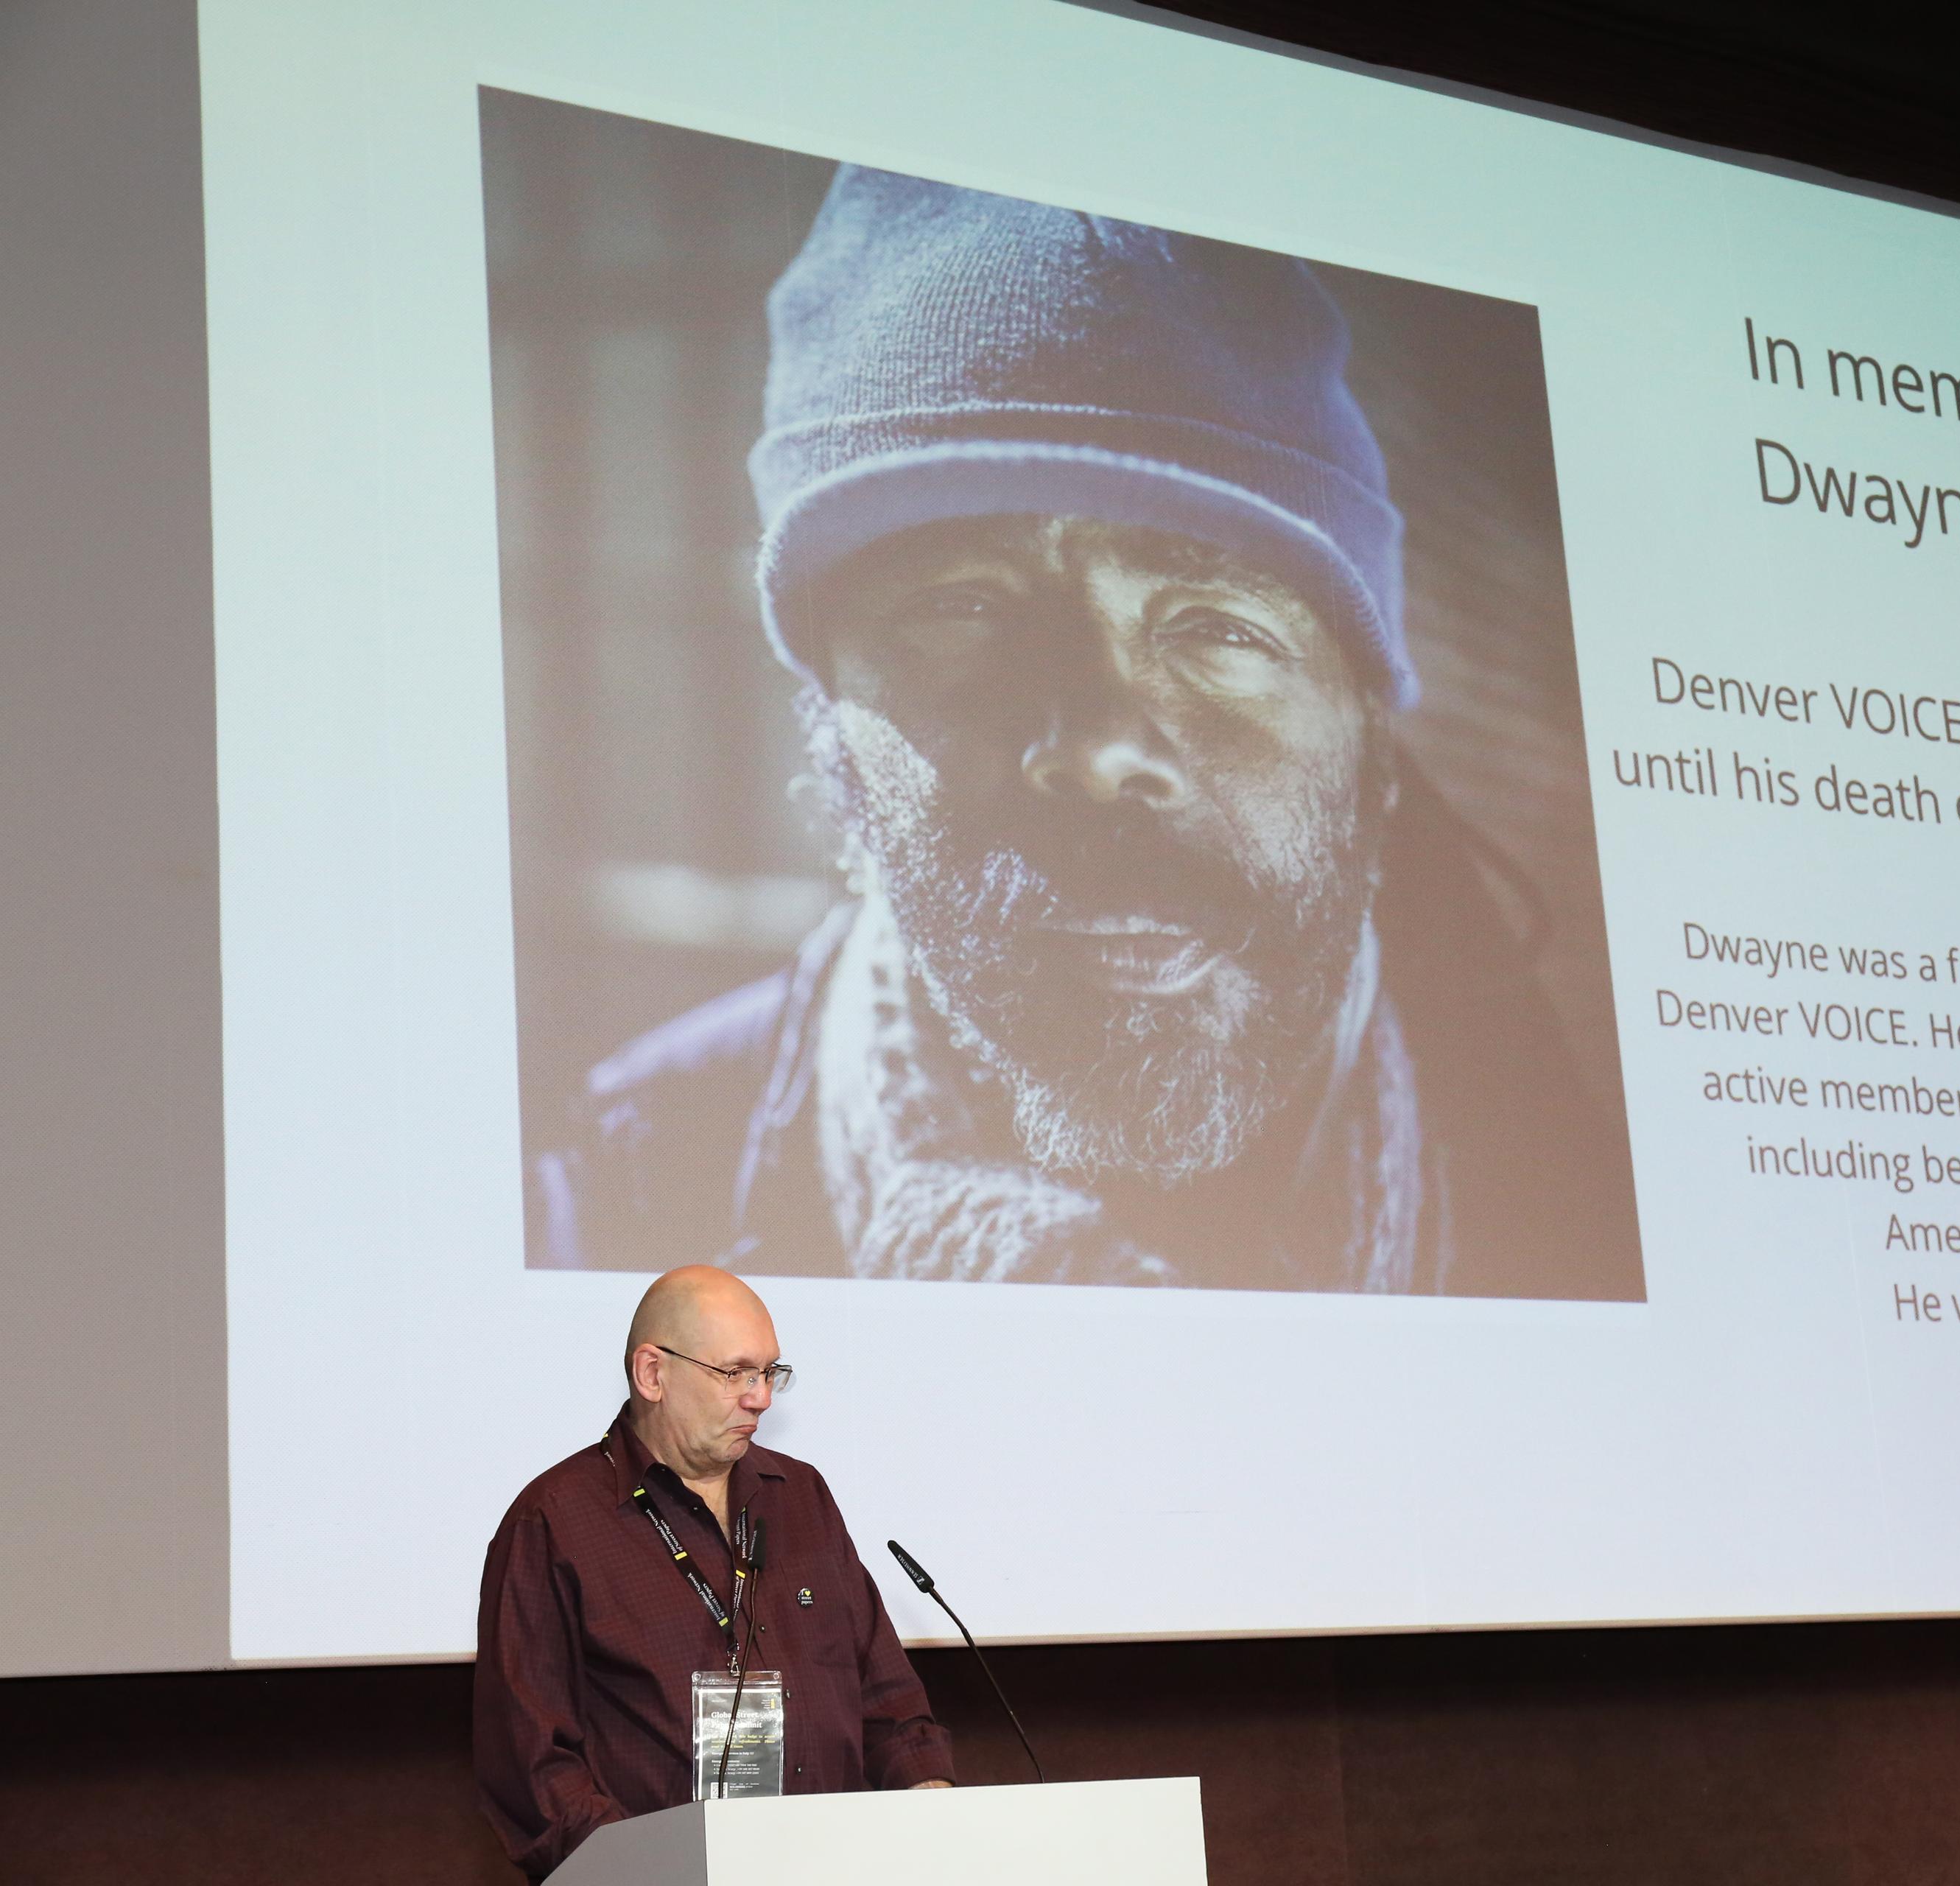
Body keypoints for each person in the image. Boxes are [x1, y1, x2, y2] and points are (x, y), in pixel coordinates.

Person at [528, 166, 1641, 1299]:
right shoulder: (623, 1198)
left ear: (1371, 745)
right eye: (965, 610)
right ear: (830, 725)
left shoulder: (1598, 1204)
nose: (1102, 749)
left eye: (1217, 627)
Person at [473, 1266, 952, 1879]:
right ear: (653, 1374)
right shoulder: (554, 1522)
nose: (762, 1398)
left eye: (770, 1372)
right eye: (736, 1373)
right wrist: (638, 1872)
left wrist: (932, 1802)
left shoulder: (800, 1495)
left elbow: (886, 1696)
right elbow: (531, 1760)